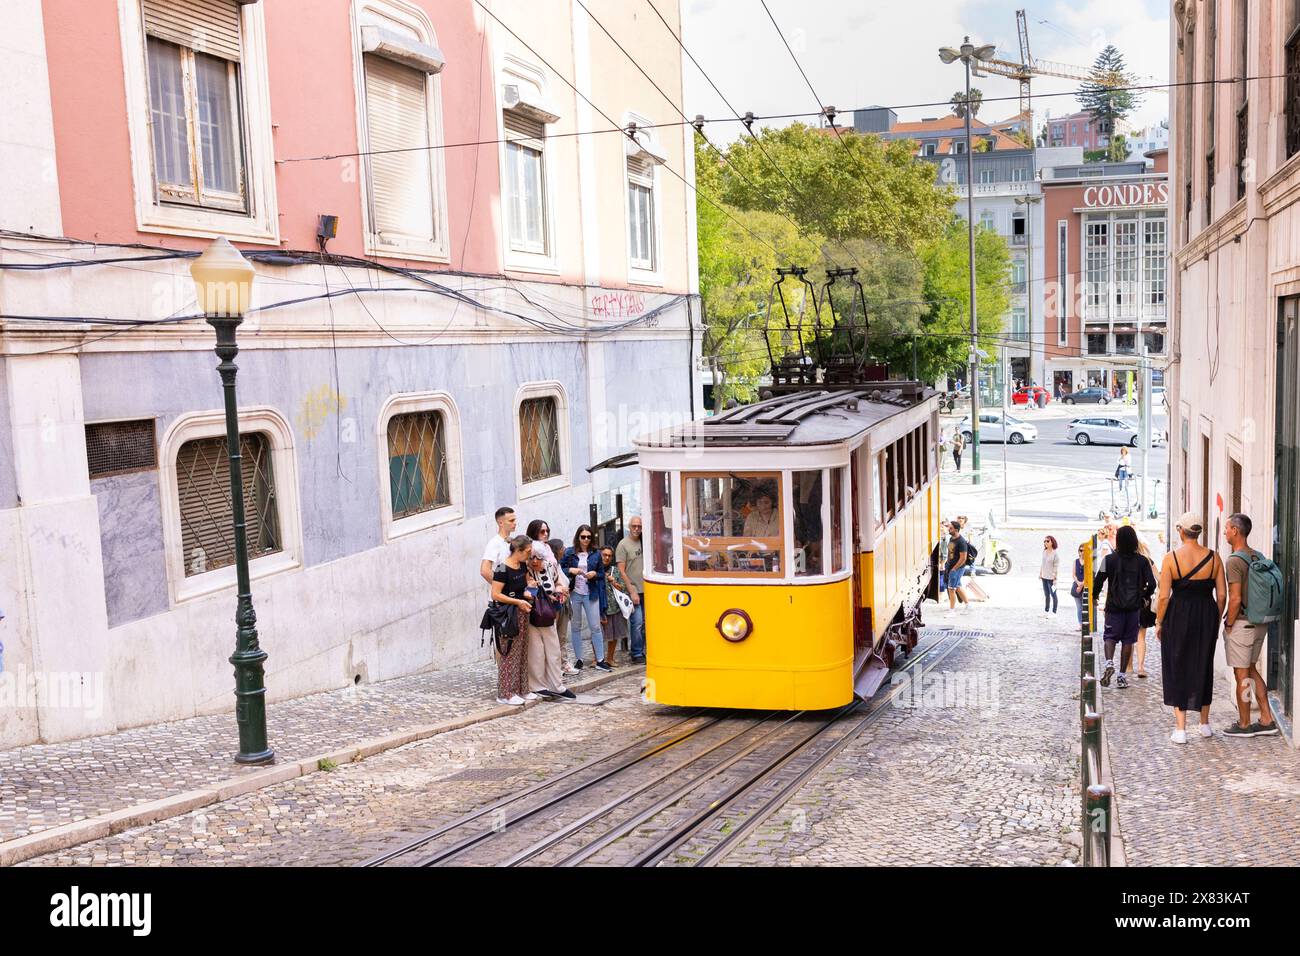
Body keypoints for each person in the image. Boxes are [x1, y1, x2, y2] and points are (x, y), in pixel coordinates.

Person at [1154, 512, 1227, 744]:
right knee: (1203, 662)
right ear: (1199, 531)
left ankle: (1181, 728)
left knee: (1178, 664)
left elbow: (1164, 597)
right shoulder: (1215, 558)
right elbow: (1222, 594)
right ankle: (1204, 724)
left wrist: (1159, 622)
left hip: (1178, 615)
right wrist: (1216, 616)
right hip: (1206, 613)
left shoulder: (1170, 559)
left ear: (1180, 531)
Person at [1221, 513, 1280, 737]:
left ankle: (1244, 724)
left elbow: (1234, 598)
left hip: (1243, 624)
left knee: (1241, 675)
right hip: (1259, 624)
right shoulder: (1258, 556)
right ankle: (1266, 718)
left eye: (1227, 528)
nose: (1225, 531)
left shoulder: (1234, 560)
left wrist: (1228, 623)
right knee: (1252, 669)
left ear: (1235, 531)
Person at [1093, 525, 1156, 690]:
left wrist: (1094, 596)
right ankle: (1121, 676)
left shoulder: (1108, 560)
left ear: (1118, 540)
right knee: (1129, 640)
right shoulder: (1142, 561)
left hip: (1113, 606)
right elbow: (1152, 583)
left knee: (1110, 637)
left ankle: (1108, 663)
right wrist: (1144, 597)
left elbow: (1098, 580)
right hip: (1133, 607)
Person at [489, 535, 534, 705]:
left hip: (522, 611)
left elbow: (521, 588)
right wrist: (518, 601)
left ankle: (522, 689)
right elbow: (496, 594)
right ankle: (505, 693)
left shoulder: (522, 565)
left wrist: (526, 594)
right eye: (528, 551)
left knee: (522, 651)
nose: (529, 555)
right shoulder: (502, 568)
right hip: (507, 615)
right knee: (508, 653)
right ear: (518, 550)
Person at [525, 549, 574, 701]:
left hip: (549, 614)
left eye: (538, 558)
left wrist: (559, 591)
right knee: (537, 652)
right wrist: (532, 587)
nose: (534, 561)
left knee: (553, 651)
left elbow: (558, 582)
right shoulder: (526, 569)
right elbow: (525, 590)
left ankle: (556, 685)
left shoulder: (550, 566)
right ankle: (538, 686)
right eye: (532, 557)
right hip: (533, 615)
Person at [563, 525, 609, 671]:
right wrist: (571, 570)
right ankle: (579, 660)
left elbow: (602, 574)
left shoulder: (596, 554)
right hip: (575, 593)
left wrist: (595, 574)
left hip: (591, 593)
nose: (586, 540)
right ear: (578, 537)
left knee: (595, 626)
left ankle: (600, 660)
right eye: (583, 537)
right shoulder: (569, 552)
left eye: (589, 537)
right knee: (575, 627)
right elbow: (559, 569)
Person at [617, 517, 646, 663]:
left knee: (647, 622)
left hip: (648, 589)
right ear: (629, 527)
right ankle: (636, 653)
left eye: (639, 526)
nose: (636, 529)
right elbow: (622, 571)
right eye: (634, 526)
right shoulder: (623, 545)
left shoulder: (645, 542)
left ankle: (644, 650)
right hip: (634, 589)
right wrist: (632, 591)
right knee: (637, 622)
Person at [1130, 538, 1158, 679]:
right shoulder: (1148, 561)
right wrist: (1146, 595)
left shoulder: (1124, 560)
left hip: (1127, 601)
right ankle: (1140, 667)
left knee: (1128, 635)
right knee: (1141, 636)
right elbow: (1158, 579)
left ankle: (1128, 667)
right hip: (1143, 602)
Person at [600, 546, 629, 665]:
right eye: (604, 555)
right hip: (600, 606)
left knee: (614, 635)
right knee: (598, 634)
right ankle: (597, 659)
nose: (607, 557)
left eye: (609, 555)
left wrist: (613, 582)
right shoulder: (595, 569)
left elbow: (623, 588)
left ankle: (610, 659)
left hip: (615, 607)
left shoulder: (615, 570)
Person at [480, 506, 516, 588]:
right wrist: (502, 588)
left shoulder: (511, 541)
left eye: (515, 520)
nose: (515, 523)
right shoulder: (494, 543)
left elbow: (504, 566)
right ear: (500, 523)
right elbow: (485, 570)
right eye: (511, 520)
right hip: (501, 598)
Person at [944, 521, 970, 611]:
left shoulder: (961, 541)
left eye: (951, 528)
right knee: (958, 587)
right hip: (951, 566)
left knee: (951, 588)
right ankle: (968, 605)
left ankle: (952, 610)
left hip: (957, 568)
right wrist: (947, 563)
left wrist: (954, 569)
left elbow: (963, 558)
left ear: (956, 529)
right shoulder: (952, 538)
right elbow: (950, 552)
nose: (949, 529)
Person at [1040, 535, 1060, 617]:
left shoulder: (1055, 554)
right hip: (1044, 577)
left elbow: (1056, 567)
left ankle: (1054, 612)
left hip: (1051, 578)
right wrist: (1040, 573)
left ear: (1052, 542)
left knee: (1053, 595)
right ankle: (1046, 611)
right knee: (1046, 595)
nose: (1045, 543)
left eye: (1047, 541)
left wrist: (1055, 578)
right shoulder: (1044, 552)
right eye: (1044, 541)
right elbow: (1042, 564)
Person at [1070, 543, 1088, 626]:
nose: (1082, 552)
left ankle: (1086, 623)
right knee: (1079, 607)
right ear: (1078, 551)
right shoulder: (1075, 561)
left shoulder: (1089, 562)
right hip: (1076, 585)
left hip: (1086, 586)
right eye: (1081, 550)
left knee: (1085, 607)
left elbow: (1088, 575)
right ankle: (1080, 624)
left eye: (1084, 550)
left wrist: (1082, 585)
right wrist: (1078, 583)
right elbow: (1073, 574)